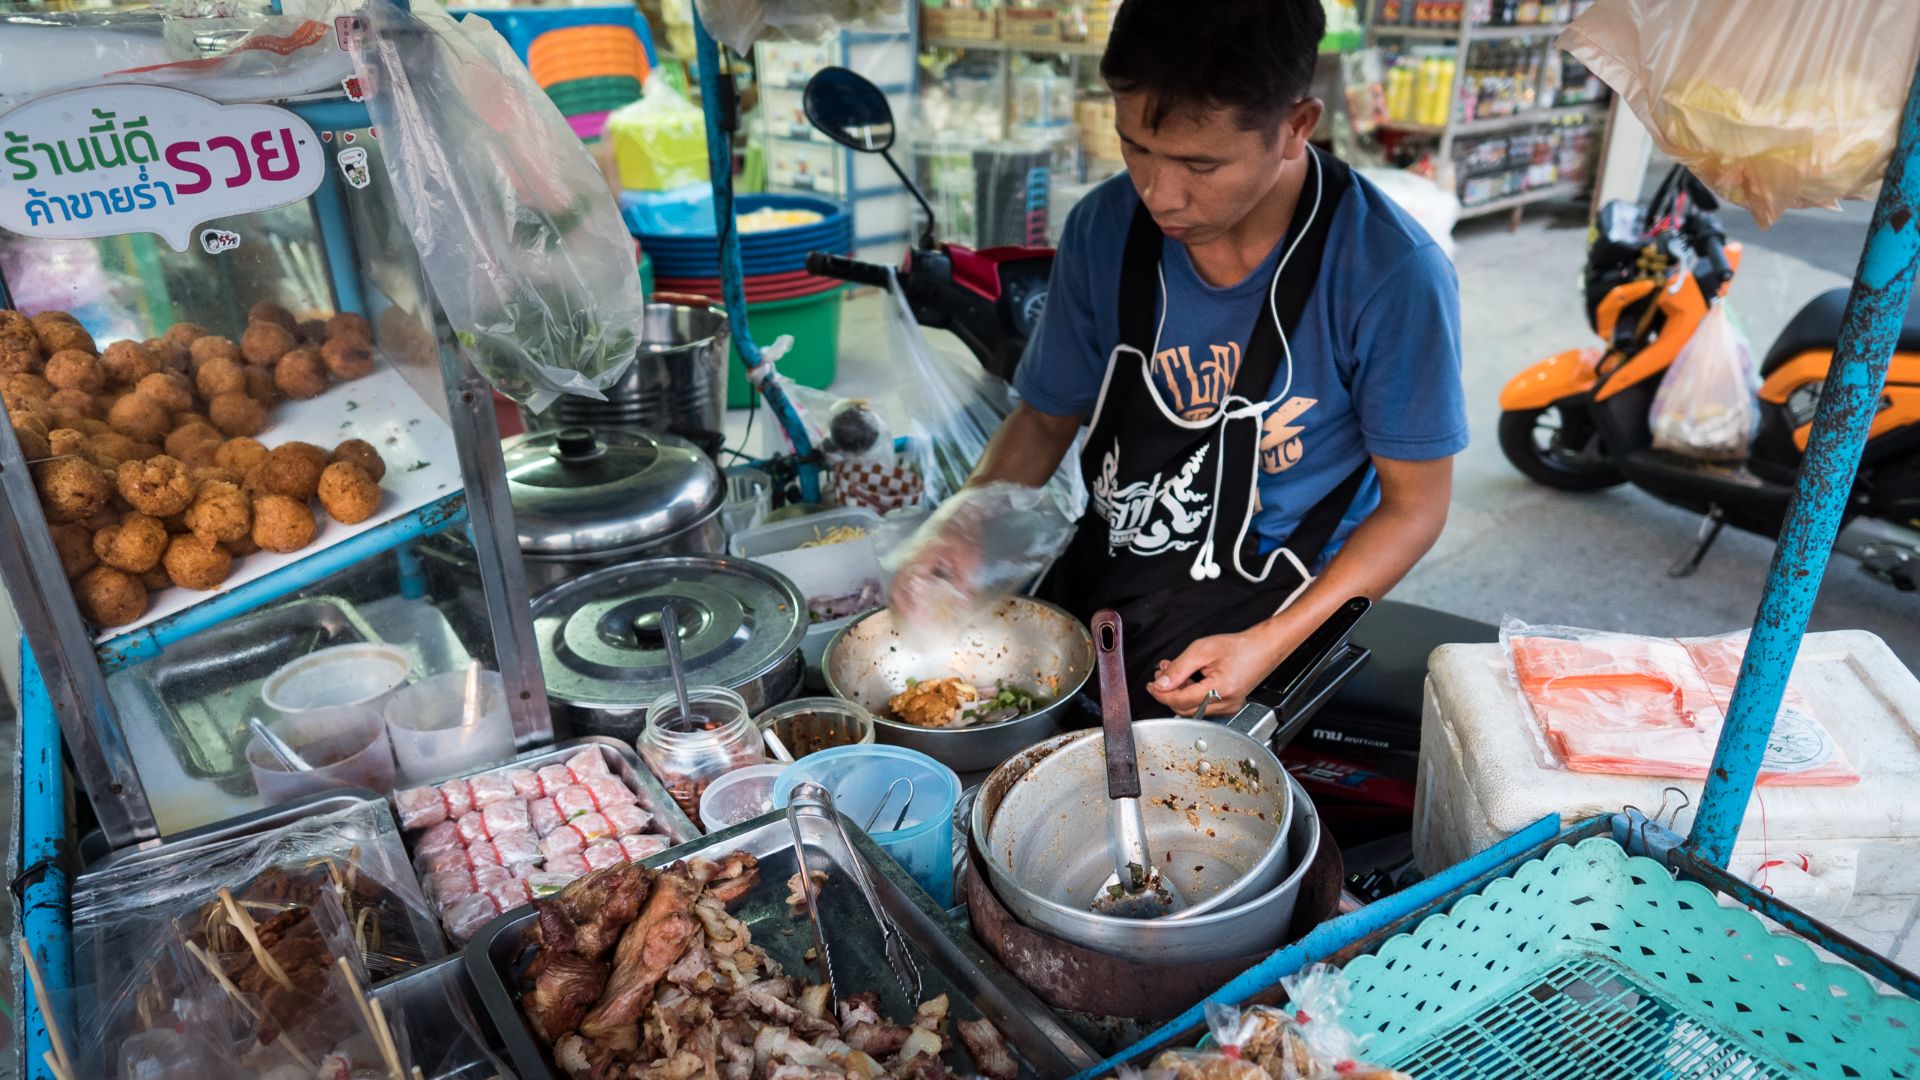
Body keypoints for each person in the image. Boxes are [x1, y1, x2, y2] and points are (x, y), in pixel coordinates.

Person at [891, 0, 1468, 715]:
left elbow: (1414, 509)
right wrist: (965, 522)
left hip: (1276, 600)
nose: (1160, 195)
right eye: (1135, 147)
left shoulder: (1389, 274)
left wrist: (1271, 643)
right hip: (1112, 563)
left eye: (1201, 163)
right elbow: (1043, 420)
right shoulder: (1105, 228)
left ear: (1296, 127)